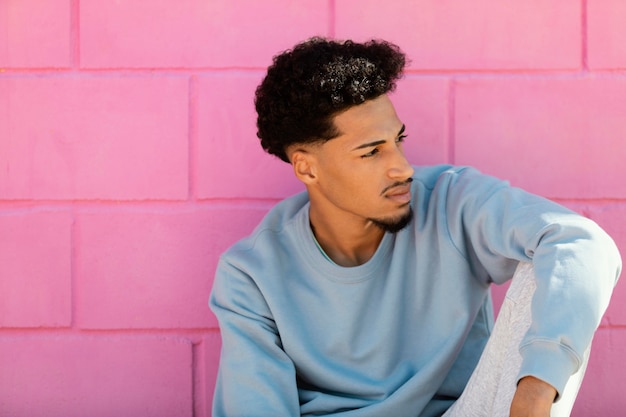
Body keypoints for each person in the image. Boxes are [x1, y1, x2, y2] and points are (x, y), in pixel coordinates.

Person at [209, 37, 621, 417]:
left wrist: (535, 392)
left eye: (397, 140)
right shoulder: (252, 274)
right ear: (306, 166)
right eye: (372, 151)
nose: (402, 167)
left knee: (551, 260)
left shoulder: (449, 201)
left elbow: (581, 241)